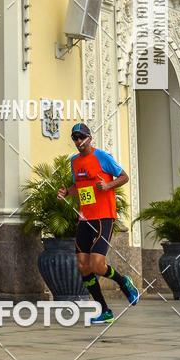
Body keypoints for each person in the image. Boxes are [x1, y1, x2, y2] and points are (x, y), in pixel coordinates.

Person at [58, 122, 140, 324]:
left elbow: (124, 176)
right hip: (85, 217)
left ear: (89, 138)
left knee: (96, 264)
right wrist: (67, 192)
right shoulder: (74, 162)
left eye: (80, 137)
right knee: (83, 266)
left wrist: (108, 185)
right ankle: (105, 310)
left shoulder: (102, 157)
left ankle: (124, 282)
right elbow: (79, 186)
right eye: (74, 138)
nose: (78, 141)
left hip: (104, 216)